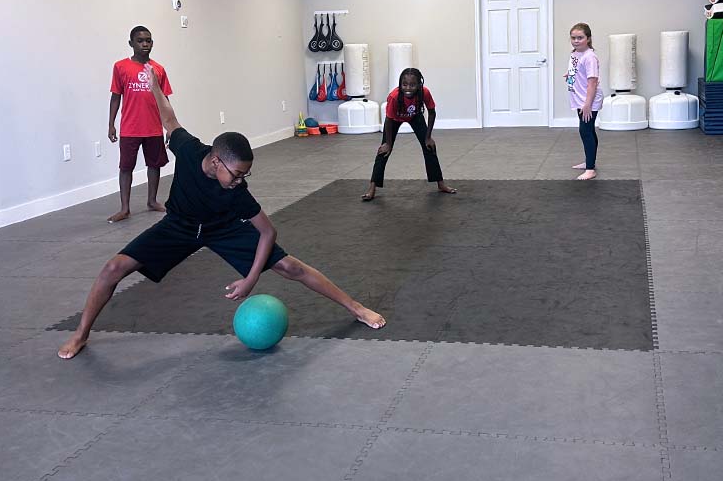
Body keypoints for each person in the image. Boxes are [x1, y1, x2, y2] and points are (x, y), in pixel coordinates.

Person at [58, 63, 385, 359]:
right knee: (113, 268)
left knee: (290, 266)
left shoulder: (236, 191)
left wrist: (251, 279)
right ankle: (81, 333)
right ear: (215, 161)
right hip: (179, 226)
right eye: (237, 173)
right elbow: (169, 119)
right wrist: (155, 86)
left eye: (245, 174)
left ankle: (356, 307)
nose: (241, 180)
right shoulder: (189, 151)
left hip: (223, 228)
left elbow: (267, 232)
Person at [361, 68, 457, 202]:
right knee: (383, 151)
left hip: (415, 116)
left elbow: (432, 112)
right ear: (400, 84)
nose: (408, 88)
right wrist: (388, 144)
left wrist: (428, 137)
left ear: (419, 85)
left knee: (429, 147)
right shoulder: (394, 97)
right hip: (394, 120)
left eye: (412, 85)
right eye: (404, 84)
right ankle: (372, 188)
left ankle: (441, 184)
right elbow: (388, 120)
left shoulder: (424, 92)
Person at [107, 26, 172, 223]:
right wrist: (111, 124)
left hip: (153, 128)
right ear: (131, 43)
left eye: (148, 41)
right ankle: (124, 208)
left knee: (154, 165)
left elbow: (165, 99)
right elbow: (115, 97)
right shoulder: (120, 67)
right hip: (130, 128)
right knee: (126, 167)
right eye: (140, 40)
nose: (145, 44)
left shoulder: (158, 69)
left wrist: (170, 126)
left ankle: (152, 201)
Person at [565, 23, 603, 181]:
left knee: (585, 131)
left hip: (588, 100)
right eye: (573, 38)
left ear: (588, 38)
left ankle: (590, 169)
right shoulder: (575, 54)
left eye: (580, 38)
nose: (576, 41)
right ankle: (589, 161)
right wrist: (570, 75)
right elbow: (577, 69)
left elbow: (592, 82)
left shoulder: (590, 57)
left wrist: (587, 105)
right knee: (588, 130)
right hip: (579, 98)